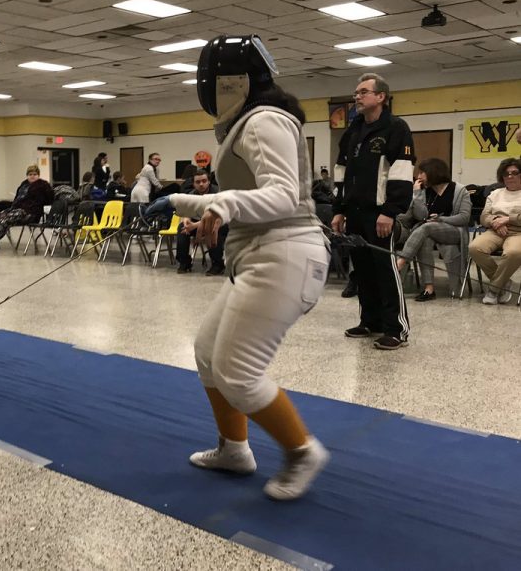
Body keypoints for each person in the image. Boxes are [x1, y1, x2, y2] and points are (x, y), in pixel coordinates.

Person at [170, 35, 330, 501]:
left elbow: (283, 195)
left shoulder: (263, 121)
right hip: (261, 253)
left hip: (285, 255)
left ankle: (303, 452)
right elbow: (250, 196)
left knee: (238, 373)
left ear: (227, 83)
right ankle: (235, 449)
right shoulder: (250, 122)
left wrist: (212, 203)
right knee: (206, 353)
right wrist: (196, 210)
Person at [332, 73, 415, 351]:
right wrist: (339, 209)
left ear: (380, 97)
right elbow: (340, 172)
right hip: (354, 211)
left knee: (385, 269)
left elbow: (402, 172)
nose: (357, 96)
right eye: (356, 92)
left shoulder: (396, 128)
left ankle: (396, 328)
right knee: (363, 269)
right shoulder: (352, 130)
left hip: (380, 213)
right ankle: (370, 320)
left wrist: (390, 211)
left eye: (363, 92)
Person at [394, 158, 471, 301]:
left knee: (427, 227)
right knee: (426, 238)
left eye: (422, 172)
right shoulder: (424, 191)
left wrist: (441, 219)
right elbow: (421, 216)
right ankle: (429, 289)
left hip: (454, 231)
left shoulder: (459, 190)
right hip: (429, 230)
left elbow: (464, 218)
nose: (419, 176)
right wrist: (416, 194)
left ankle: (401, 261)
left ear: (433, 172)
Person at [469, 157, 521, 304]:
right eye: (506, 174)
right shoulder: (495, 193)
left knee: (513, 253)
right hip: (495, 230)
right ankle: (504, 283)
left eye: (514, 172)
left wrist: (509, 219)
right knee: (475, 248)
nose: (509, 176)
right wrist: (494, 221)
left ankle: (493, 289)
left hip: (518, 232)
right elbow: (484, 216)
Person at [0, 165, 53, 257]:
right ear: (27, 175)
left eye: (35, 174)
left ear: (38, 175)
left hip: (31, 212)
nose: (32, 176)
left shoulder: (43, 185)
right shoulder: (23, 184)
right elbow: (17, 198)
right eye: (30, 174)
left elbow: (50, 199)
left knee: (5, 221)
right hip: (17, 209)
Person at [175, 169, 226, 276]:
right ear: (193, 184)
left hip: (218, 223)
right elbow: (186, 211)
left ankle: (218, 264)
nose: (201, 184)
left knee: (214, 228)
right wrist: (186, 220)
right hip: (196, 224)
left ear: (209, 181)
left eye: (204, 181)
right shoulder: (191, 194)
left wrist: (194, 226)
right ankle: (184, 262)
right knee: (181, 228)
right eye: (198, 182)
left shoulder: (218, 193)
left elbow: (217, 217)